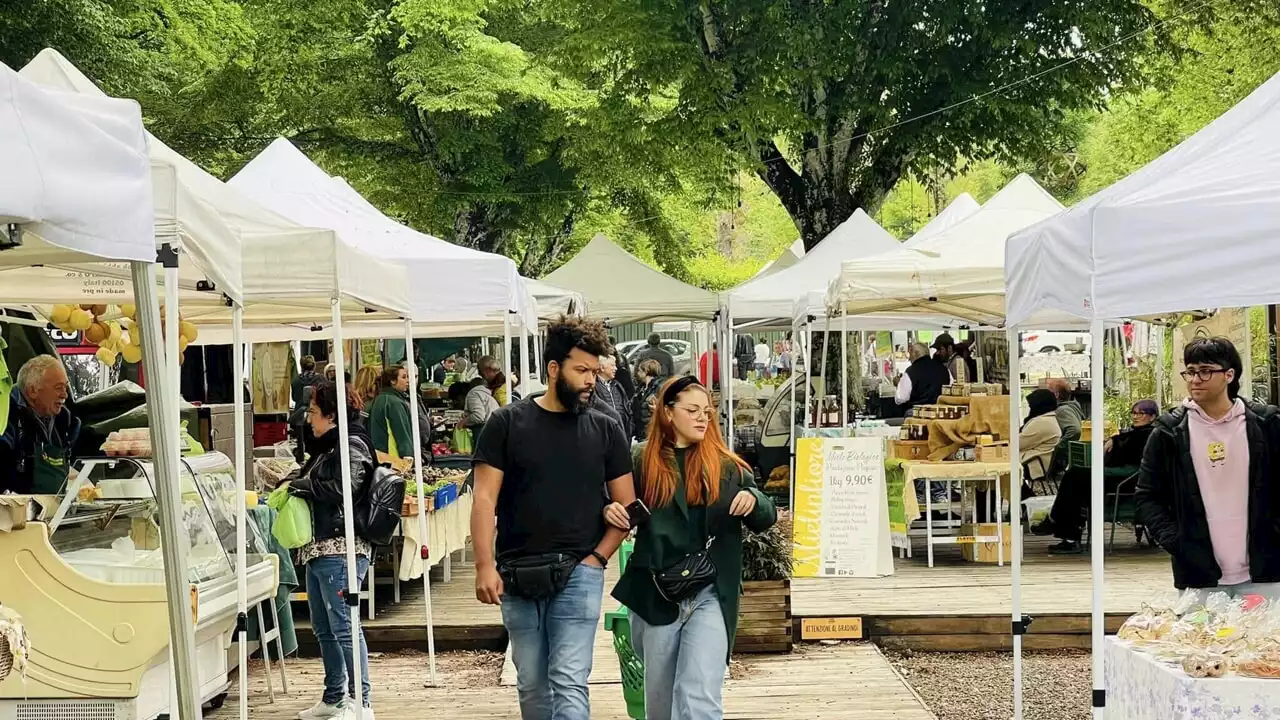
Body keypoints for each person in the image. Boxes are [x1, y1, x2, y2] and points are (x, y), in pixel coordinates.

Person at [470, 316, 637, 720]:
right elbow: (484, 499)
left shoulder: (606, 428)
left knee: (569, 677)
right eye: (581, 370)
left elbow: (627, 508)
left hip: (580, 571)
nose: (590, 381)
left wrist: (598, 558)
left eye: (595, 372)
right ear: (553, 368)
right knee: (531, 681)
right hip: (516, 571)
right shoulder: (506, 423)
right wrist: (484, 565)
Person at [603, 376, 776, 719]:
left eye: (708, 412)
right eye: (692, 410)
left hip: (711, 593)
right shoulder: (640, 460)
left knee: (700, 695)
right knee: (661, 702)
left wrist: (753, 498)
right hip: (656, 592)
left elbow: (766, 516)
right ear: (668, 413)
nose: (702, 418)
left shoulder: (727, 466)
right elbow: (612, 500)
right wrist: (607, 507)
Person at [1137, 338, 1280, 595]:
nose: (1195, 379)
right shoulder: (1169, 432)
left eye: (1205, 371)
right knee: (1199, 636)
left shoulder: (1267, 424)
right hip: (1198, 575)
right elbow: (1147, 496)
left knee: (1263, 636)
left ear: (1229, 374)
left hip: (1265, 572)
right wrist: (1177, 542)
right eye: (1190, 371)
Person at [289, 381, 375, 719]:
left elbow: (347, 487)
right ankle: (334, 696)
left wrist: (305, 485)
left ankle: (361, 702)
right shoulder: (328, 446)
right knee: (324, 628)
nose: (309, 419)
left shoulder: (350, 444)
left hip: (341, 546)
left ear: (332, 415)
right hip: (319, 548)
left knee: (344, 626)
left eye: (313, 412)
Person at [1034, 399, 1159, 554]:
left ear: (1152, 417)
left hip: (1128, 481)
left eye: (1142, 413)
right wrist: (1114, 440)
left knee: (1074, 477)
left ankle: (1060, 527)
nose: (1136, 416)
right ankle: (1066, 531)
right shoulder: (1135, 433)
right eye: (1134, 412)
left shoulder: (1151, 435)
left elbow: (1131, 457)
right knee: (1074, 480)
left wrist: (1115, 443)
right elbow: (1125, 444)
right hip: (1117, 477)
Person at [0, 356, 79, 495]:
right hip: (13, 511)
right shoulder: (6, 413)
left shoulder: (66, 421)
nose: (65, 394)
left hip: (52, 511)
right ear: (33, 391)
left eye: (65, 387)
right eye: (58, 388)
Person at [367, 365, 414, 468]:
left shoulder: (378, 399)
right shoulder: (394, 403)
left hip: (380, 459)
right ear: (393, 381)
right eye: (404, 377)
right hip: (394, 460)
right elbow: (403, 434)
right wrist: (408, 459)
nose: (407, 380)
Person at [894, 342, 949, 413]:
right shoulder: (944, 369)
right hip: (940, 413)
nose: (909, 358)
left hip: (918, 414)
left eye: (910, 354)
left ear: (916, 354)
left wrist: (899, 384)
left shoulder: (911, 371)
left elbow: (900, 398)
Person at [290, 356, 324, 463]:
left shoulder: (295, 380)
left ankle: (303, 462)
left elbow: (294, 398)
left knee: (301, 445)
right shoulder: (321, 379)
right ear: (314, 365)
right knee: (316, 446)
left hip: (299, 416)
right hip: (315, 416)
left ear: (301, 366)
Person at [591, 354, 631, 436]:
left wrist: (630, 428)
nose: (616, 368)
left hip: (621, 433)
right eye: (612, 365)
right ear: (602, 368)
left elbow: (627, 407)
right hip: (603, 434)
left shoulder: (617, 386)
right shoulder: (593, 386)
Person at [633, 358, 667, 442]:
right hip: (643, 432)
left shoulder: (659, 387)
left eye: (640, 370)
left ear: (646, 371)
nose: (638, 373)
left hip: (652, 432)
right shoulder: (642, 388)